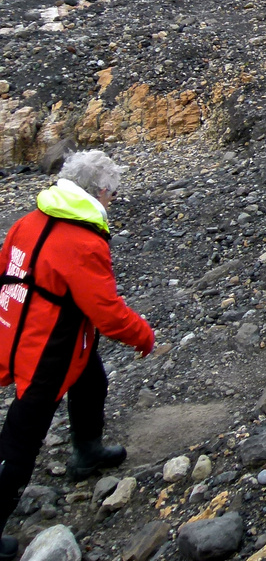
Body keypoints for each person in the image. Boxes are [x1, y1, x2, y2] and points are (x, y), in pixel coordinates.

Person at [0, 151, 154, 561]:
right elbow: (107, 312)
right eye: (114, 195)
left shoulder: (27, 223)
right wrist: (144, 336)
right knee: (22, 434)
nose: (114, 201)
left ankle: (87, 450)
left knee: (91, 378)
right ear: (100, 192)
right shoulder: (83, 243)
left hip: (22, 329)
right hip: (48, 347)